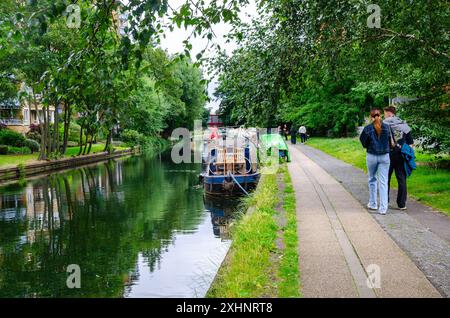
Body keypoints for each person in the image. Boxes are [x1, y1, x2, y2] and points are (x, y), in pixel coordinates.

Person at [359, 108, 391, 215]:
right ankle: (383, 208)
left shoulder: (367, 128)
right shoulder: (387, 127)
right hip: (385, 157)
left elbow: (363, 143)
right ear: (380, 115)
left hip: (372, 156)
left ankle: (373, 203)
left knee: (372, 179)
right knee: (383, 182)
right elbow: (390, 142)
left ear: (371, 117)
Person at [383, 105, 414, 210]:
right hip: (400, 155)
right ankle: (401, 204)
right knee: (401, 179)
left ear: (388, 113)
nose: (384, 115)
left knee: (385, 178)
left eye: (384, 113)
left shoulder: (384, 125)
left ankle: (385, 201)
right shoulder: (404, 125)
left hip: (388, 154)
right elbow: (410, 143)